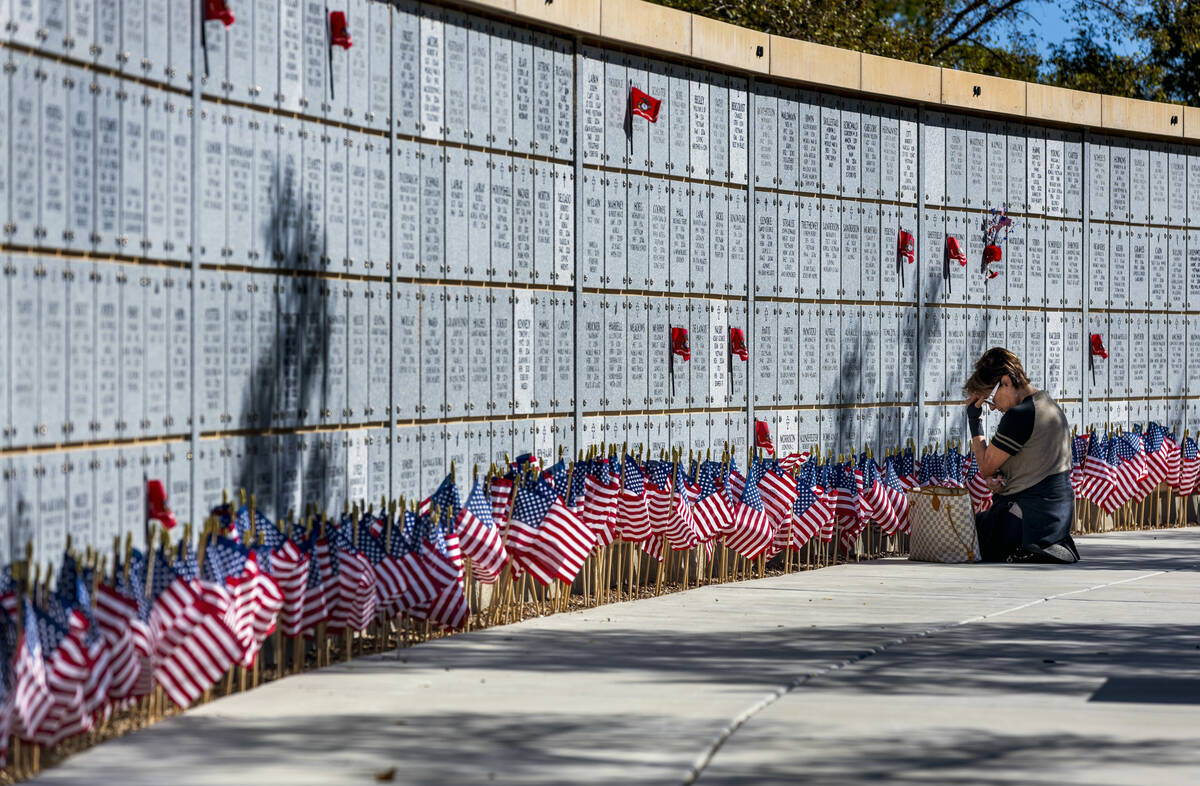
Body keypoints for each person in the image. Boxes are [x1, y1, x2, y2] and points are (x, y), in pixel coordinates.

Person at [963, 347, 1080, 564]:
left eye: (991, 398)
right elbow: (1031, 463)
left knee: (965, 535)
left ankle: (1022, 547)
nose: (993, 407)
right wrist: (999, 479)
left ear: (1006, 382)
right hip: (1056, 515)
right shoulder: (1047, 403)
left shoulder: (1020, 415)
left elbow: (986, 466)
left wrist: (974, 420)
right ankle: (1042, 546)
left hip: (1029, 515)